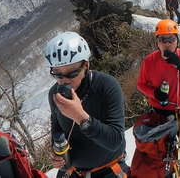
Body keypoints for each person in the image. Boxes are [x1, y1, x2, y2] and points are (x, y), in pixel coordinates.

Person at [45, 32, 127, 178]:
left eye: (72, 73)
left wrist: (81, 118)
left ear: (86, 66)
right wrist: (57, 150)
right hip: (73, 172)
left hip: (109, 170)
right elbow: (57, 128)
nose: (64, 81)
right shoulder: (54, 93)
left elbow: (115, 140)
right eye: (58, 75)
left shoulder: (106, 86)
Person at [137, 19, 180, 178]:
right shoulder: (149, 61)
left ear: (177, 41)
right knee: (159, 159)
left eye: (171, 39)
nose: (167, 44)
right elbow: (141, 84)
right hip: (158, 113)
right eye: (163, 39)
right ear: (157, 42)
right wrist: (155, 93)